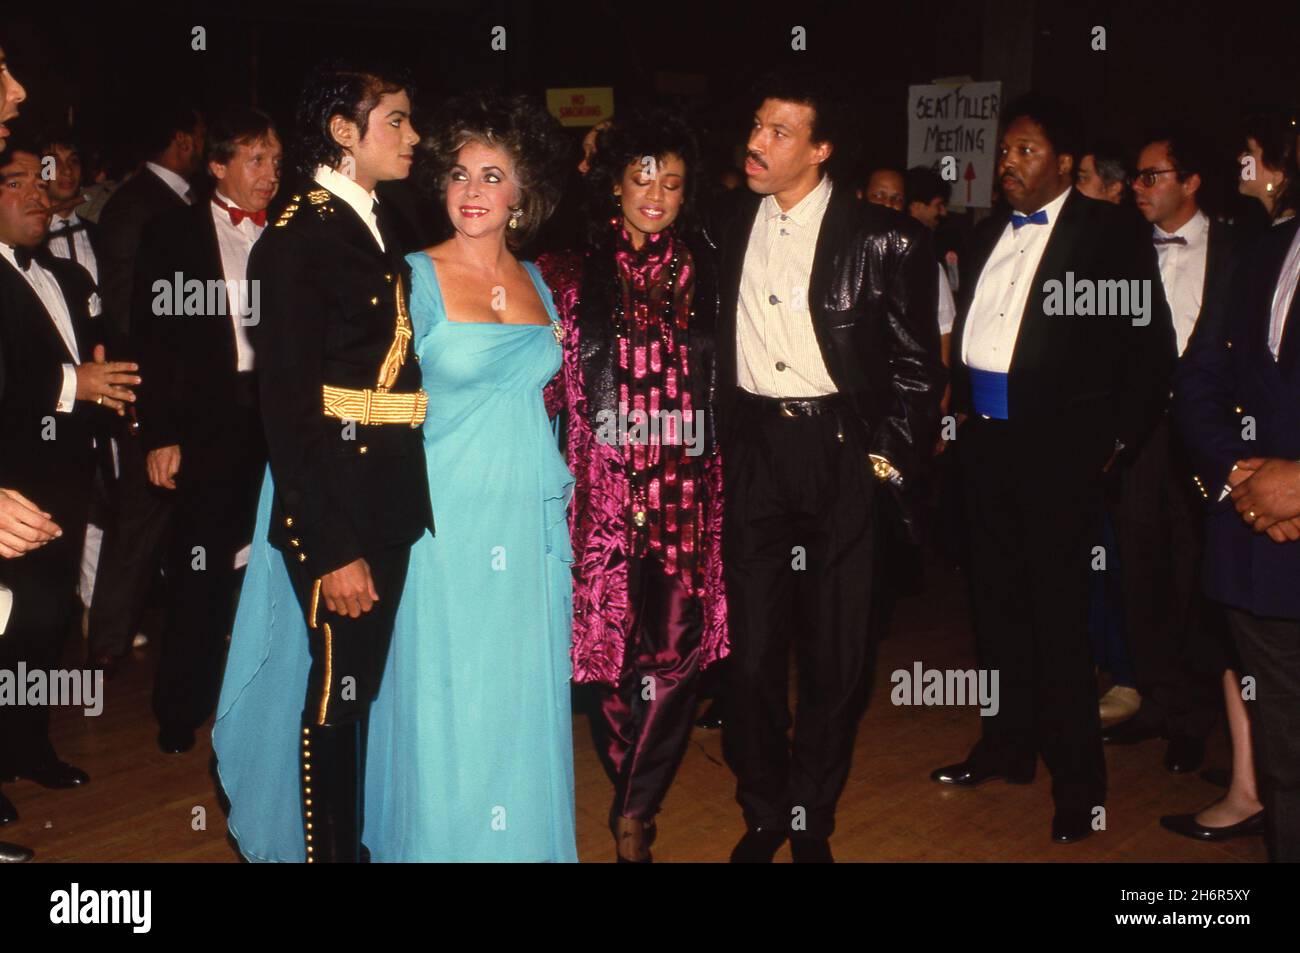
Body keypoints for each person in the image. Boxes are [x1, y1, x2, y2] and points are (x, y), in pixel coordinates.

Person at [217, 83, 579, 863]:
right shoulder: (405, 273)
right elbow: (315, 401)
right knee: (443, 701)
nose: (471, 191)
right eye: (458, 174)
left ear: (524, 192)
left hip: (528, 520)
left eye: (492, 176)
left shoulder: (544, 283)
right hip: (438, 518)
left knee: (517, 700)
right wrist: (326, 524)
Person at [931, 94, 1175, 844]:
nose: (1008, 162)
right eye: (1005, 151)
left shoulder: (1109, 233)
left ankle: (1078, 783)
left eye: (1026, 150)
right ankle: (1005, 744)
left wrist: (1113, 446)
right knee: (995, 610)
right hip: (987, 447)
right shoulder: (982, 234)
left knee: (1059, 623)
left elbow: (1151, 349)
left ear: (1064, 162)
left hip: (1059, 456)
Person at [714, 73, 943, 863]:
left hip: (842, 451)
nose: (757, 142)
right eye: (756, 124)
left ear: (819, 150)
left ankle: (813, 812)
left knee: (837, 656)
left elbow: (918, 368)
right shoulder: (724, 222)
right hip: (752, 451)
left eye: (780, 132)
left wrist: (885, 461)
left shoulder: (887, 238)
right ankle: (764, 806)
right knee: (747, 657)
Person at [214, 60, 430, 863]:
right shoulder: (294, 240)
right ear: (345, 131)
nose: (414, 137)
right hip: (338, 508)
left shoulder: (374, 219)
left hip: (388, 498)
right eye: (397, 121)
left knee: (360, 689)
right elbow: (287, 412)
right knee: (337, 693)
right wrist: (331, 543)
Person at [537, 108, 727, 863]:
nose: (657, 193)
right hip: (603, 496)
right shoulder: (565, 275)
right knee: (609, 661)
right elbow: (536, 385)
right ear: (614, 182)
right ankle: (633, 794)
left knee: (676, 654)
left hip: (688, 491)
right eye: (643, 176)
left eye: (673, 182)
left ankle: (633, 809)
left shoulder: (711, 269)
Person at [0, 144, 137, 849]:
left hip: (66, 482)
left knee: (47, 624)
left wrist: (108, 388)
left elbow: (96, 361)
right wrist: (70, 385)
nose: (37, 195)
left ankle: (28, 746)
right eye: (15, 183)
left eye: (41, 182)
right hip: (6, 495)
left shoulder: (65, 271)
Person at [1172, 109, 1300, 859]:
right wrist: (1242, 474)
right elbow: (1200, 378)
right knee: (1287, 761)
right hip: (1263, 546)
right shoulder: (1264, 248)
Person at [135, 106, 281, 754]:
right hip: (210, 421)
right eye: (256, 160)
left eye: (277, 160)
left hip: (280, 416)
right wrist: (158, 433)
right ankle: (179, 707)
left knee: (275, 562)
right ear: (218, 164)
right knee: (199, 564)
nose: (270, 174)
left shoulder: (291, 233)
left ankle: (268, 699)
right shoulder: (172, 232)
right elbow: (153, 340)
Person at [1101, 130, 1237, 779]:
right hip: (1140, 431)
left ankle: (1191, 718)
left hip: (1207, 429)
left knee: (1195, 575)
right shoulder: (1123, 248)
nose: (1137, 187)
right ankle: (1156, 699)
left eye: (1151, 176)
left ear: (1190, 182)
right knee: (1140, 567)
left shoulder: (1237, 248)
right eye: (1136, 176)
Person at [87, 100, 206, 674]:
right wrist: (138, 395)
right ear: (184, 140)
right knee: (140, 514)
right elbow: (124, 307)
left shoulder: (179, 203)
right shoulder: (138, 205)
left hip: (188, 389)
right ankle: (107, 639)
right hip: (147, 389)